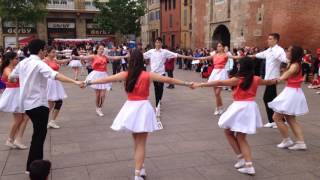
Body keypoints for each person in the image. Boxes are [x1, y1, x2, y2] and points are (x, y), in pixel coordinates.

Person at [83, 49, 193, 180]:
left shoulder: (126, 74)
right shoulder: (148, 75)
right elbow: (169, 79)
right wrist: (187, 83)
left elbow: (106, 79)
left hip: (130, 108)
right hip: (142, 109)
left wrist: (87, 82)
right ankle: (137, 174)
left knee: (136, 142)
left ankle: (141, 168)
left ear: (130, 61)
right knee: (141, 144)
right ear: (142, 61)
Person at [192, 57, 277, 175]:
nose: (237, 66)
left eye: (239, 65)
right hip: (250, 107)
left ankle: (248, 164)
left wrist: (200, 84)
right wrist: (280, 79)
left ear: (242, 67)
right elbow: (269, 82)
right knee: (230, 132)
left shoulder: (238, 79)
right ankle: (242, 159)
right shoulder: (256, 79)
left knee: (239, 136)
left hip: (240, 107)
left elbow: (219, 82)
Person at [8, 39, 83, 173]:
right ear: (41, 50)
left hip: (27, 104)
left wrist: (20, 81)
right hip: (39, 104)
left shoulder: (23, 62)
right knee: (39, 136)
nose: (45, 52)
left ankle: (33, 165)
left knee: (38, 135)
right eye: (44, 49)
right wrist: (75, 82)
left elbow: (12, 77)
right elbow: (55, 75)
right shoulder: (38, 64)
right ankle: (34, 166)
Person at [268, 46, 308, 150]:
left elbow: (285, 76)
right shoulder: (294, 64)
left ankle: (287, 140)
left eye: (289, 51)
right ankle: (300, 142)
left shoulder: (294, 65)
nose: (287, 52)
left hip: (292, 93)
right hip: (293, 92)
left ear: (294, 53)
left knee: (276, 117)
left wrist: (275, 80)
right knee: (290, 119)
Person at [143, 37, 194, 117]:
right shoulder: (151, 52)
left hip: (161, 73)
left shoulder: (164, 52)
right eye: (156, 42)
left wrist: (188, 57)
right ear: (155, 43)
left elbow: (176, 55)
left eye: (159, 42)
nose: (158, 44)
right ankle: (157, 106)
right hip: (153, 74)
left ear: (161, 43)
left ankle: (159, 100)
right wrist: (127, 56)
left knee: (161, 89)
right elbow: (141, 56)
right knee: (156, 89)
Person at [77, 44, 129, 117]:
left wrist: (124, 56)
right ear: (97, 49)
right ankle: (97, 108)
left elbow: (114, 57)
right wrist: (74, 57)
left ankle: (99, 108)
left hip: (104, 75)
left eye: (103, 49)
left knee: (103, 95)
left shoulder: (105, 56)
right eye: (100, 49)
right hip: (96, 75)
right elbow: (84, 57)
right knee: (98, 95)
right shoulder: (93, 56)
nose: (102, 50)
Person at [250, 33, 287, 128]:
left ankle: (276, 120)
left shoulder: (279, 50)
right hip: (268, 78)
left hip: (273, 78)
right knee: (272, 99)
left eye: (270, 39)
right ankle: (276, 120)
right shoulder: (269, 50)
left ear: (275, 40)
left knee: (267, 98)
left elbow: (285, 60)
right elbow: (260, 55)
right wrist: (250, 56)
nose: (268, 40)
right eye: (268, 39)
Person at [198, 42, 240, 115]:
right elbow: (206, 57)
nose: (218, 47)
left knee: (217, 93)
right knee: (216, 94)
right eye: (218, 46)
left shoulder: (226, 55)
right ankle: (220, 107)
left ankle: (218, 108)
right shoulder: (215, 55)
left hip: (222, 73)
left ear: (223, 47)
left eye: (220, 46)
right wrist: (196, 58)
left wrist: (247, 56)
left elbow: (235, 57)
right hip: (215, 73)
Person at [0, 52, 29, 149]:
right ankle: (12, 140)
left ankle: (13, 139)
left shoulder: (16, 68)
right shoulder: (7, 69)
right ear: (10, 60)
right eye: (16, 58)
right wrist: (13, 78)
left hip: (18, 93)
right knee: (19, 119)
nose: (18, 60)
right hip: (13, 95)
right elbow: (10, 76)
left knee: (22, 118)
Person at [44, 47, 70, 129]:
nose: (54, 54)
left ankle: (51, 121)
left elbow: (61, 61)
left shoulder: (54, 60)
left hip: (56, 82)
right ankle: (46, 121)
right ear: (47, 53)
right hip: (49, 82)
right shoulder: (44, 61)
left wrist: (69, 59)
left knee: (54, 103)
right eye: (52, 52)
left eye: (55, 52)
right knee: (52, 103)